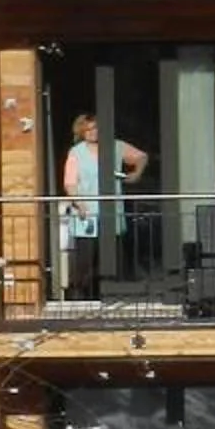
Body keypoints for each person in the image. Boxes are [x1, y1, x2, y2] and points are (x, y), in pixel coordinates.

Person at [59, 111, 147, 300]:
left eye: (96, 128)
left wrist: (136, 174)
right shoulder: (76, 153)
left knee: (113, 260)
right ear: (81, 132)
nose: (92, 132)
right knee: (85, 262)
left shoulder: (115, 146)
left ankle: (114, 299)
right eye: (88, 129)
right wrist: (79, 203)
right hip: (86, 217)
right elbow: (70, 183)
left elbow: (141, 157)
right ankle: (82, 300)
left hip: (111, 215)